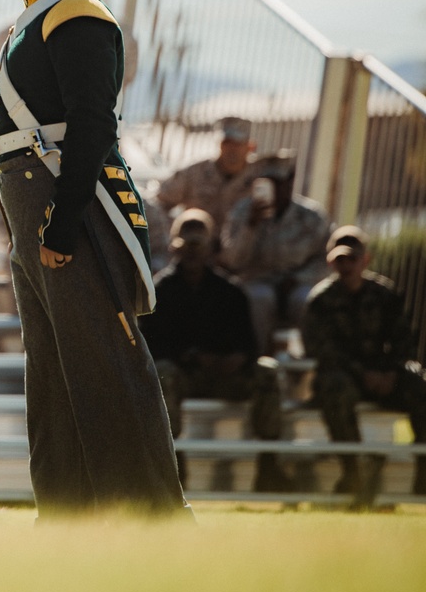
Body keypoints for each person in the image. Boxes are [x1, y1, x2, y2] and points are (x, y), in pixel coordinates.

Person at [0, 0, 185, 514]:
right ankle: (65, 518)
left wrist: (63, 227)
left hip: (79, 217)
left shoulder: (76, 15)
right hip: (37, 215)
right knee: (56, 380)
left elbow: (93, 126)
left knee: (105, 375)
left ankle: (150, 516)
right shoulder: (34, 17)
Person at [140, 209, 284, 491]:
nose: (193, 253)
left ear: (210, 248)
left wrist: (238, 358)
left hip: (228, 377)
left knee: (267, 371)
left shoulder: (231, 291)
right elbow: (152, 346)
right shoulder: (159, 291)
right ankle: (173, 472)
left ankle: (269, 467)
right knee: (163, 373)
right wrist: (192, 357)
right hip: (185, 376)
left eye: (198, 246)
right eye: (187, 246)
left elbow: (250, 344)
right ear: (174, 247)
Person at [302, 225, 426, 498]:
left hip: (385, 376)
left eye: (352, 259)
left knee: (419, 386)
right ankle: (353, 473)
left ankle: (423, 476)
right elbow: (321, 350)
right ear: (331, 262)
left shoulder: (385, 294)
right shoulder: (321, 301)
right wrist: (362, 374)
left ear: (365, 260)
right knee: (334, 387)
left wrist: (392, 372)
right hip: (346, 376)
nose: (346, 266)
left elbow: (404, 340)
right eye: (340, 260)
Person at [221, 151, 329, 354]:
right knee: (260, 298)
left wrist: (299, 279)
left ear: (290, 183)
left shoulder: (311, 216)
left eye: (278, 183)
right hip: (256, 280)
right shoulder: (242, 212)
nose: (274, 189)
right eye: (267, 183)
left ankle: (309, 362)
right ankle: (258, 361)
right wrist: (250, 226)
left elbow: (325, 258)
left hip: (298, 281)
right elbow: (232, 260)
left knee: (306, 300)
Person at [156, 117, 256, 232]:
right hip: (196, 246)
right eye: (226, 143)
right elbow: (159, 203)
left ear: (251, 147)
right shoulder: (193, 173)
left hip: (240, 247)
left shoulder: (258, 177)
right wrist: (175, 229)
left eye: (238, 143)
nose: (231, 149)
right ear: (219, 144)